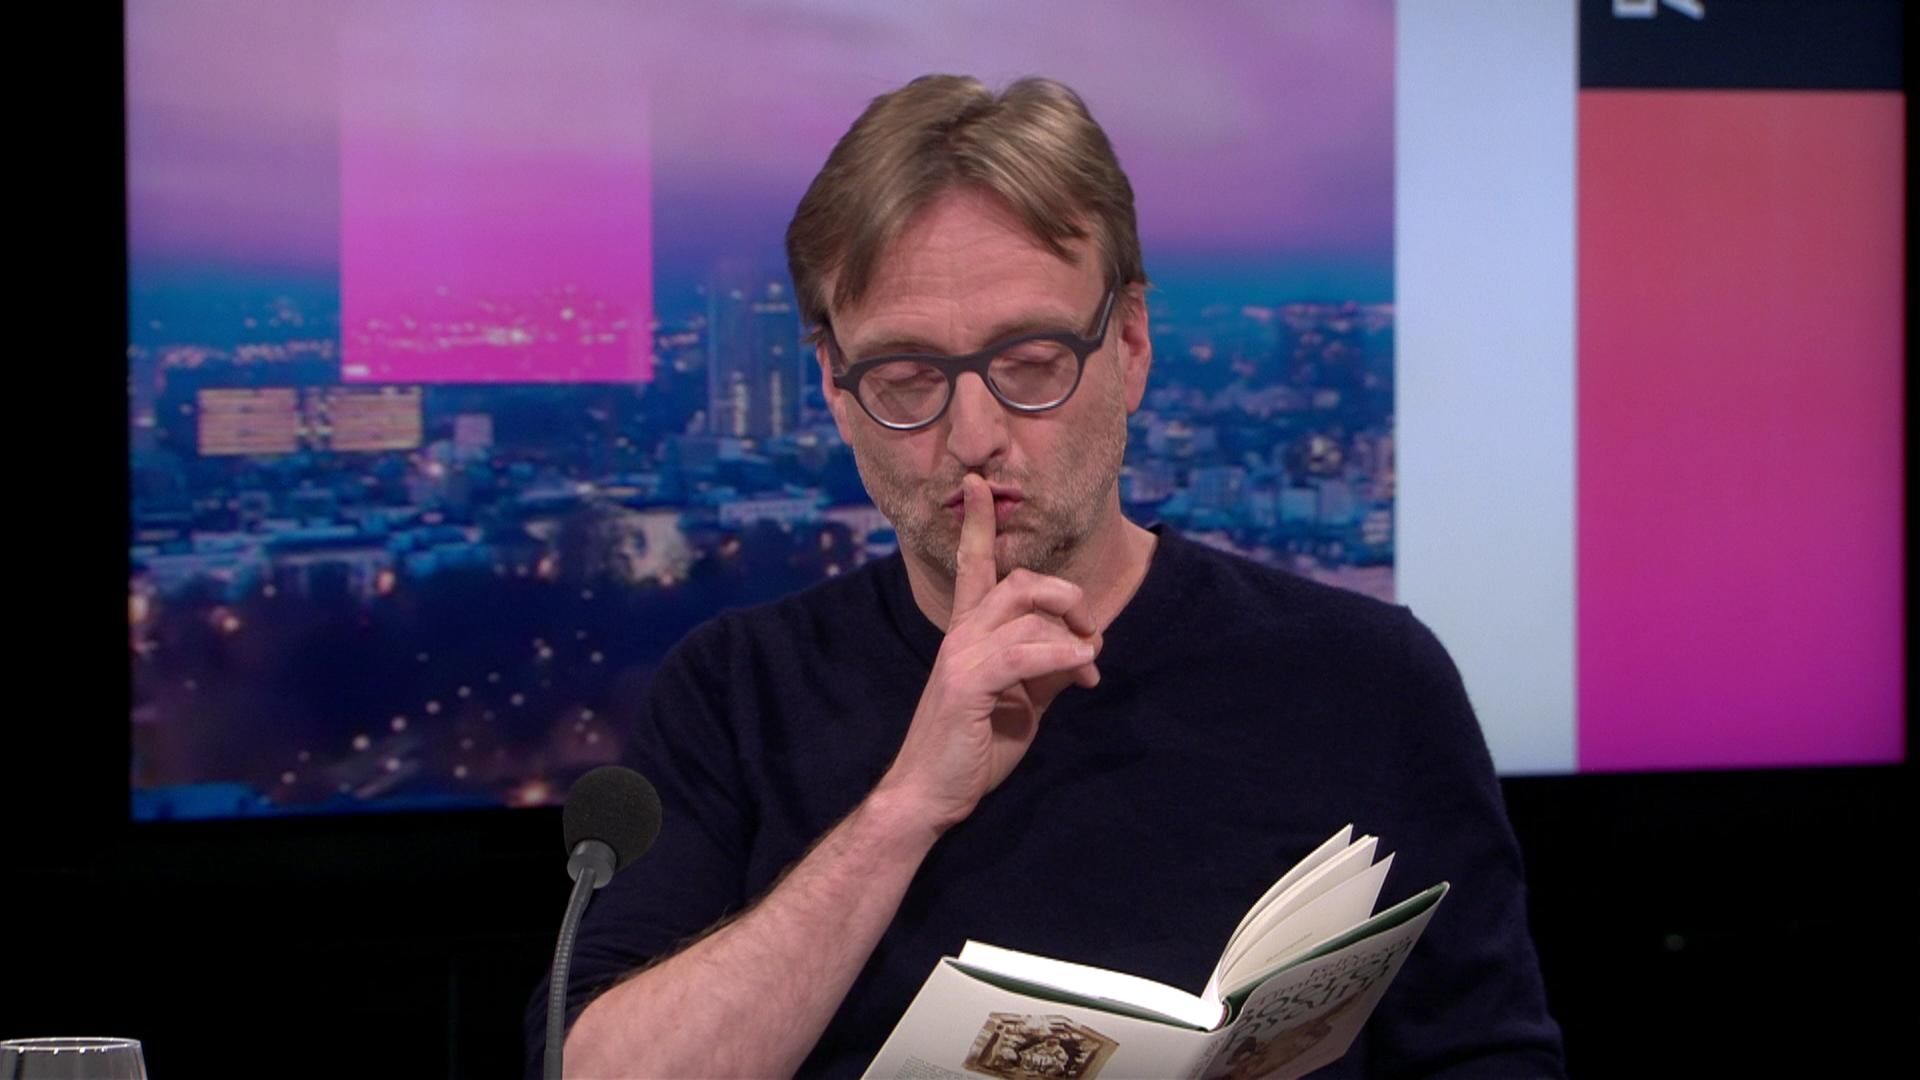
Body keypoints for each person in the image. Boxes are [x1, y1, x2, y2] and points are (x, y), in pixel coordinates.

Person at [526, 74, 1565, 1079]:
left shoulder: (1368, 679)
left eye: (1029, 362)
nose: (972, 435)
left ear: (1131, 346)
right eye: (906, 378)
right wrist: (904, 808)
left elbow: (1491, 1054)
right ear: (837, 394)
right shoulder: (734, 691)